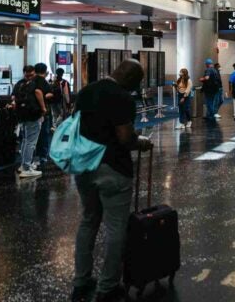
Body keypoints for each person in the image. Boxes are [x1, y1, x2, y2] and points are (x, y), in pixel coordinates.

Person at [71, 59, 153, 302]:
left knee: (88, 221)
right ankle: (107, 287)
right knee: (116, 227)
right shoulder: (122, 98)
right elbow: (125, 138)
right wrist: (141, 143)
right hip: (112, 168)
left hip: (84, 165)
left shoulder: (85, 92)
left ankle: (81, 281)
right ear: (131, 80)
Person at [14, 64, 48, 178]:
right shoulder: (34, 83)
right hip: (33, 115)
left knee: (25, 140)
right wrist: (43, 109)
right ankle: (27, 167)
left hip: (22, 115)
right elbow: (38, 93)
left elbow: (13, 98)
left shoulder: (19, 84)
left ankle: (23, 165)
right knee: (31, 142)